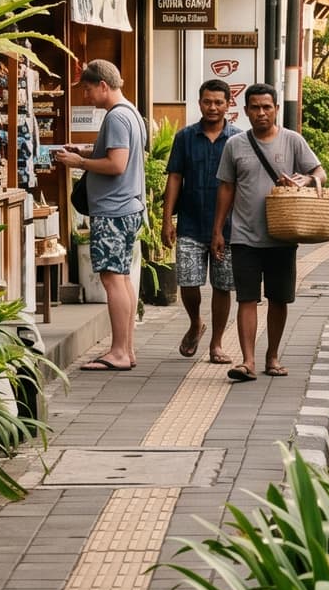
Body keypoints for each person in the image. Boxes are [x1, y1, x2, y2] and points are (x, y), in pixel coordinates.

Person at [211, 83, 325, 382]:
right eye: (255, 107)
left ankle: (272, 355)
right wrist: (218, 230)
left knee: (278, 299)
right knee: (246, 299)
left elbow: (319, 172)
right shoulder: (234, 145)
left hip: (282, 235)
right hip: (244, 236)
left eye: (267, 107)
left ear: (276, 109)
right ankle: (247, 362)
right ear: (246, 110)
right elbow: (226, 187)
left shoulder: (293, 141)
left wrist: (305, 180)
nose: (261, 113)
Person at [55, 60, 146, 372]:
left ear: (103, 86)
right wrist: (85, 152)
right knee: (121, 278)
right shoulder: (131, 112)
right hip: (128, 206)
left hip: (114, 209)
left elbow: (117, 164)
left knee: (111, 278)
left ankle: (119, 351)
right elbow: (118, 156)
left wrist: (79, 162)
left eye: (88, 89)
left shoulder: (117, 117)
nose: (86, 96)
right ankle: (127, 349)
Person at [164, 78, 239, 365]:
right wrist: (166, 220)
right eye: (207, 101)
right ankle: (196, 322)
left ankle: (217, 343)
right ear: (199, 103)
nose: (212, 107)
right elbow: (174, 177)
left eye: (218, 102)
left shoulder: (238, 139)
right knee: (188, 282)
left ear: (228, 105)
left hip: (228, 226)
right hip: (191, 223)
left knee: (223, 285)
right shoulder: (185, 137)